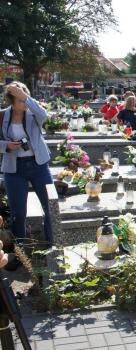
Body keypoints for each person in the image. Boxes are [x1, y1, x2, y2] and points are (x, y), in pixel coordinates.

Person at [0, 82, 54, 270]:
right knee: (18, 213)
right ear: (11, 101)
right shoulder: (2, 116)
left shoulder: (34, 113)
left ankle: (52, 247)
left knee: (50, 206)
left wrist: (24, 95)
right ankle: (20, 254)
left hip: (38, 165)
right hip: (14, 168)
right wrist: (5, 146)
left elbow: (44, 115)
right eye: (20, 99)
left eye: (25, 97)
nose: (24, 102)